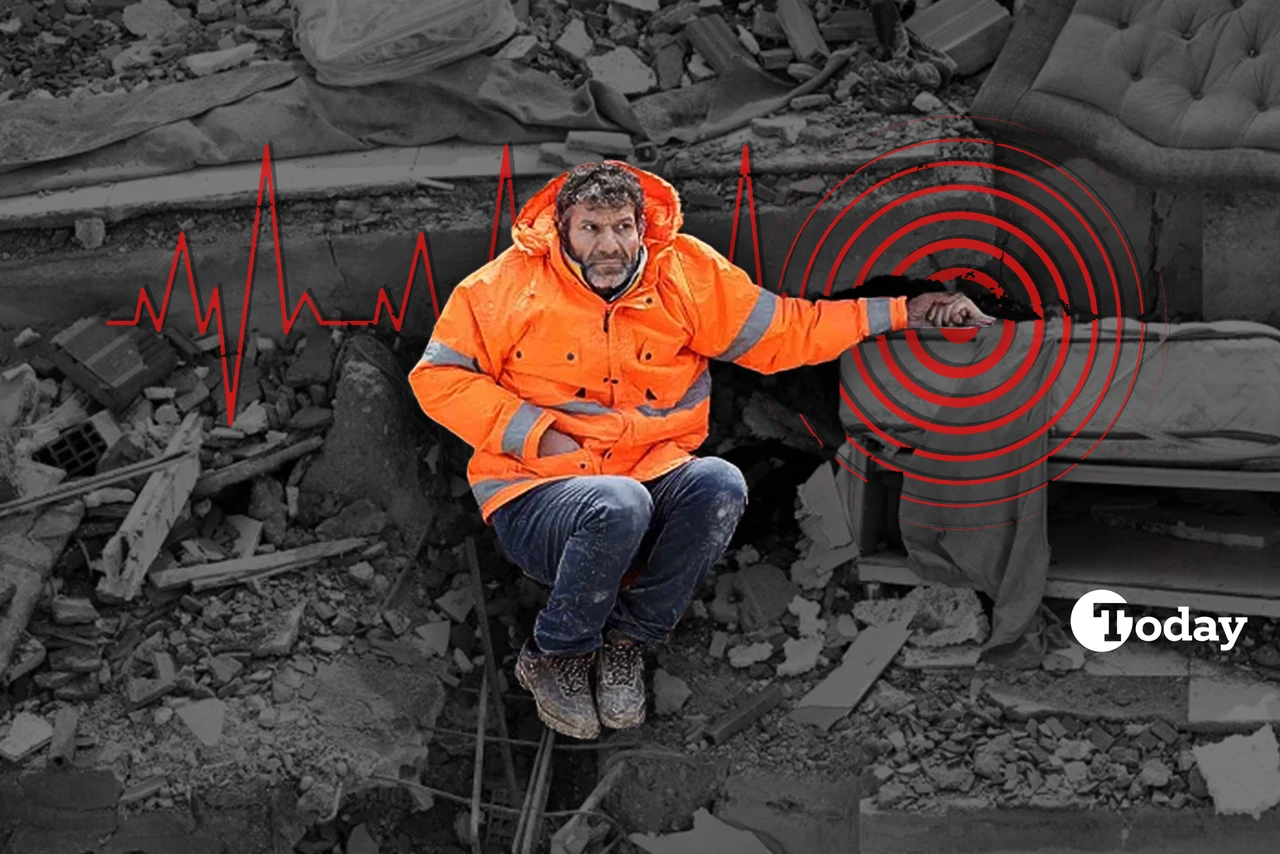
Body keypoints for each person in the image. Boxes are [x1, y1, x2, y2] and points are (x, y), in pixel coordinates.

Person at [408, 161, 992, 739]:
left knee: (719, 484)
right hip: (539, 495)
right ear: (563, 228)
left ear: (641, 226)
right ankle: (555, 654)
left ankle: (628, 644)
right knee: (619, 504)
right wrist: (538, 433)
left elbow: (785, 331)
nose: (609, 245)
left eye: (621, 228)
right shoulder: (504, 285)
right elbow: (437, 379)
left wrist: (900, 310)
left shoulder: (684, 273)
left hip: (647, 478)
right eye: (591, 228)